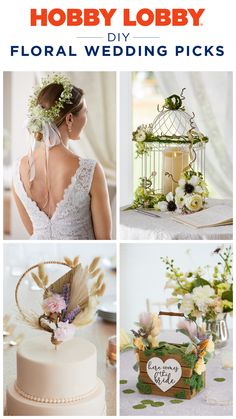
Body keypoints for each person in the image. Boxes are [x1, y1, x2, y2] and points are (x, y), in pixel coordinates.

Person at [12, 73, 112, 240]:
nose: (86, 118)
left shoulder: (17, 169)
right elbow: (104, 239)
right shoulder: (90, 170)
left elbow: (34, 233)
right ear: (70, 118)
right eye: (84, 112)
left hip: (42, 260)